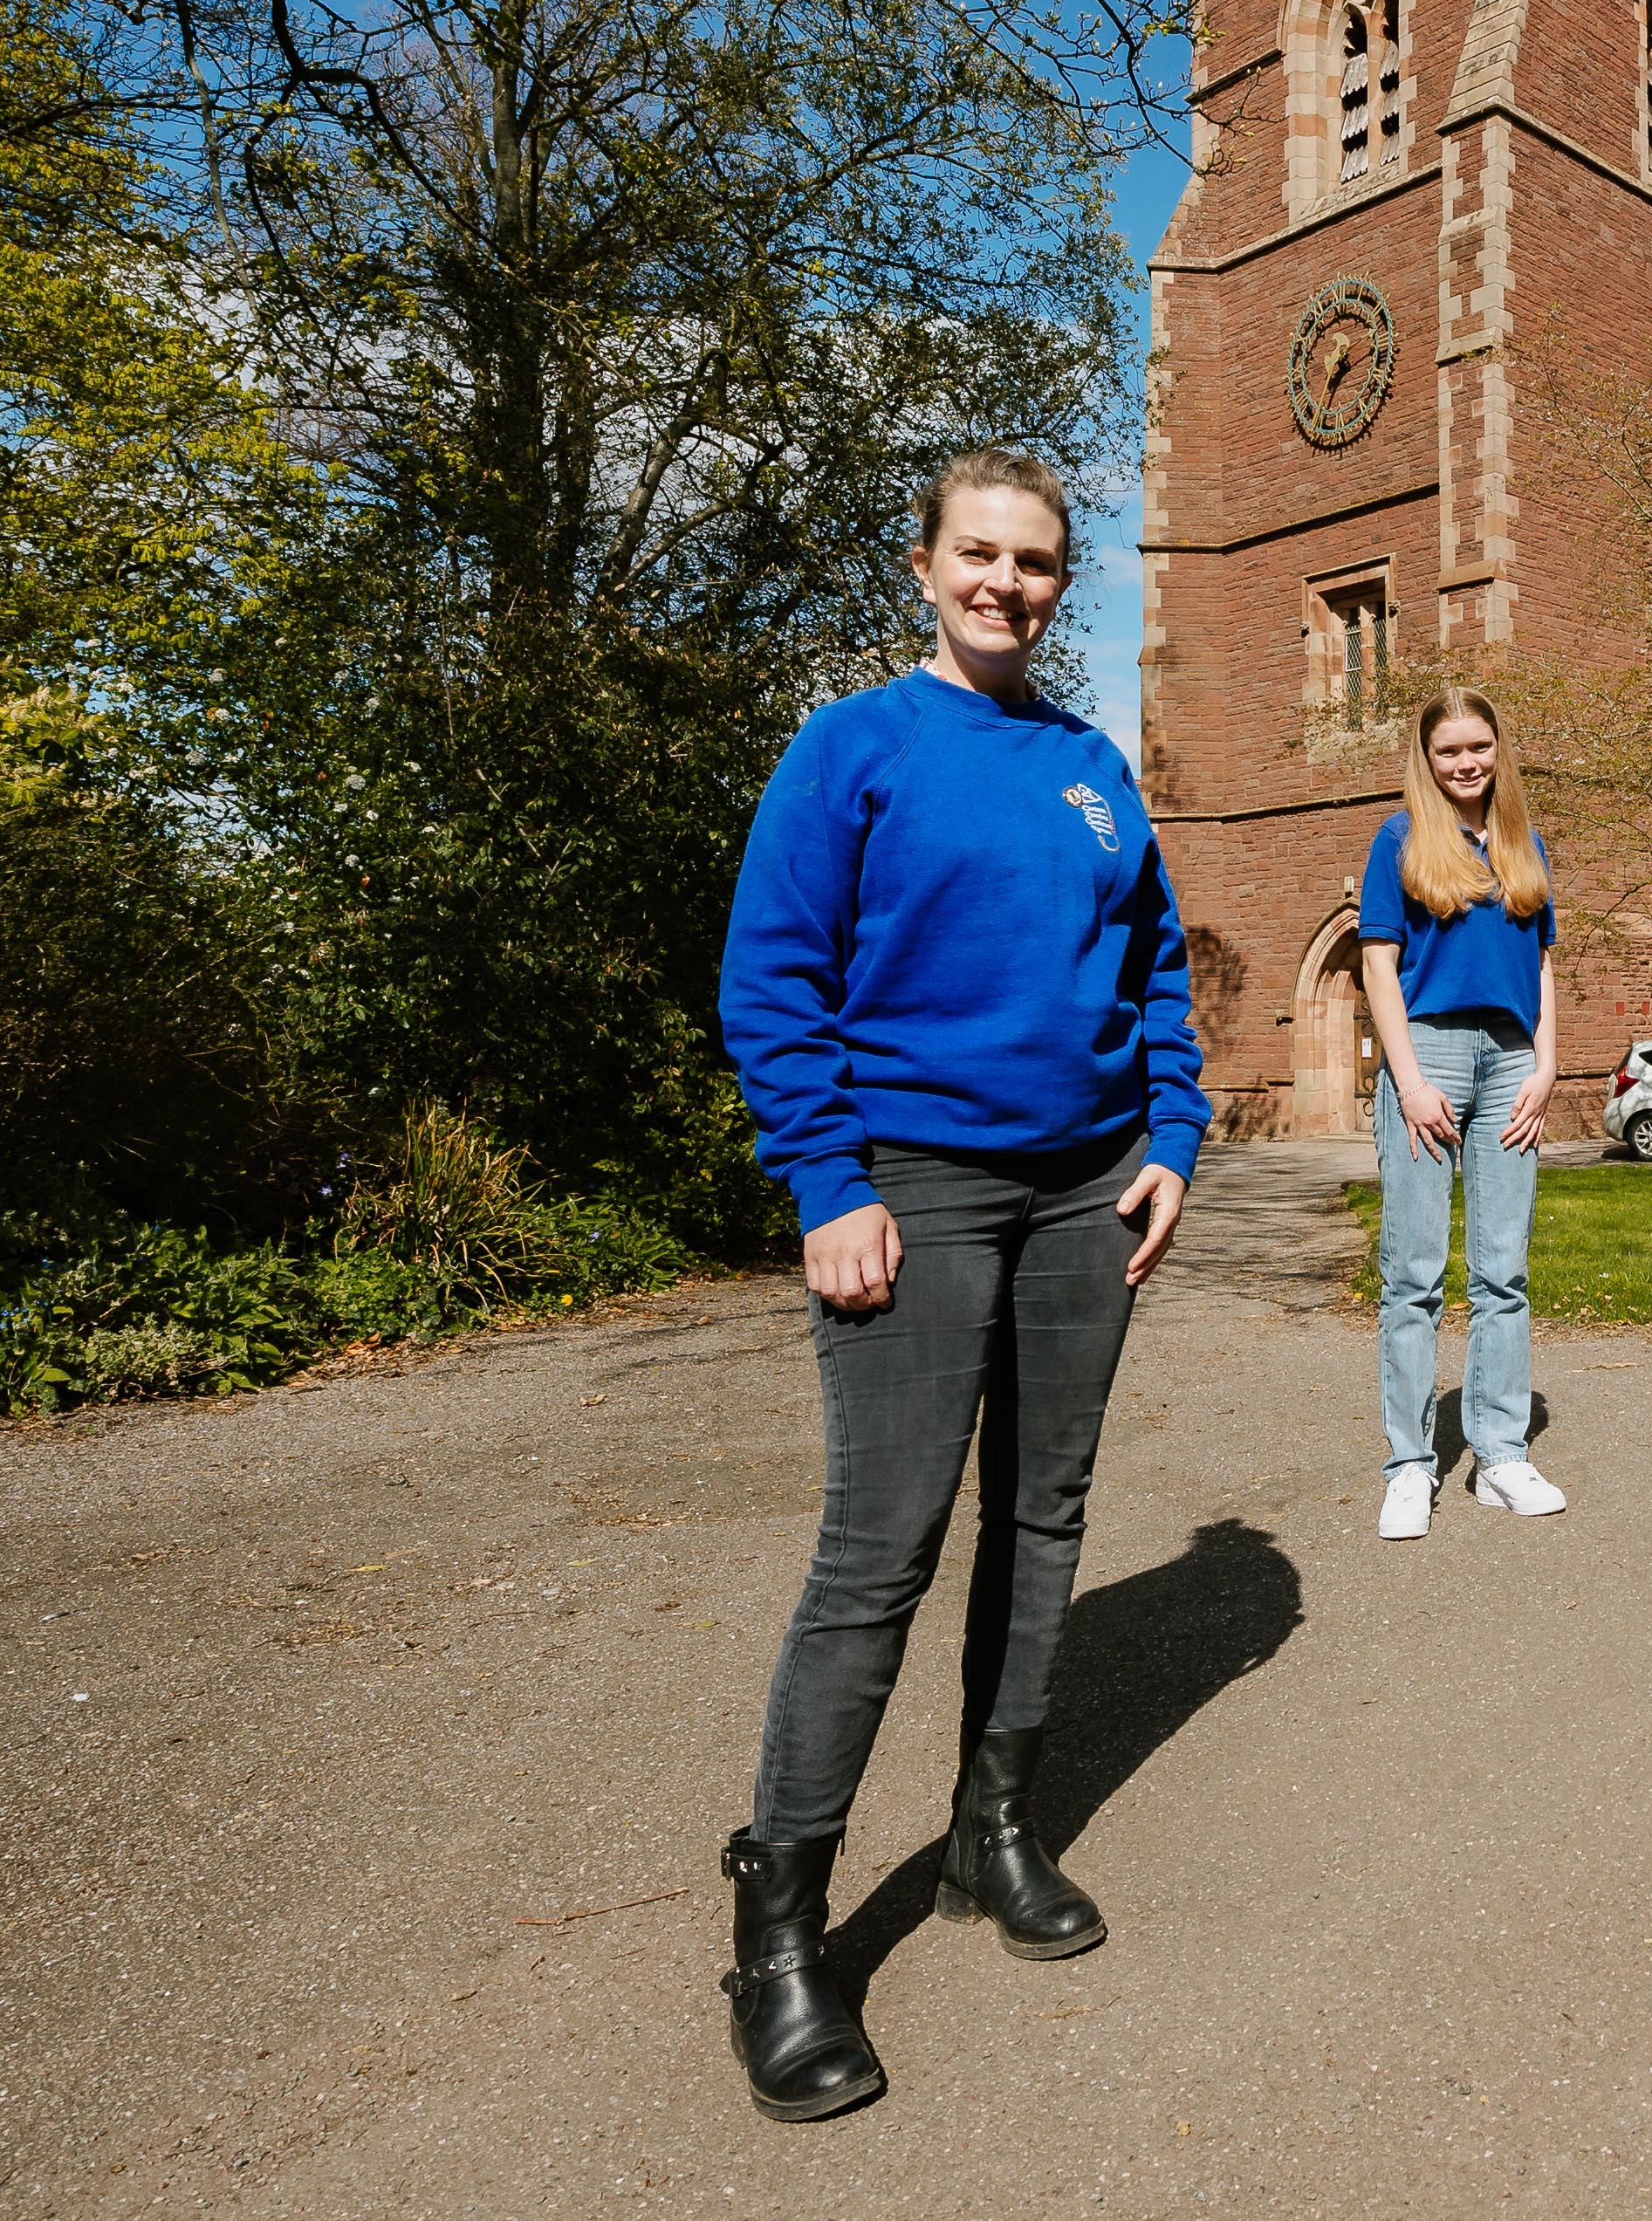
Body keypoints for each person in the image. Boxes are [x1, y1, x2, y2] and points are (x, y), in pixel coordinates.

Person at [709, 445, 1207, 2118]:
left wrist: (1176, 1132)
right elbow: (771, 977)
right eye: (979, 554)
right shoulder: (854, 745)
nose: (1008, 583)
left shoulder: (1089, 769)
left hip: (1086, 1193)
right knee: (881, 1550)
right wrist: (828, 1179)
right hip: (912, 1193)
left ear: (1064, 583)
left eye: (1039, 562)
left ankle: (993, 1830)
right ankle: (779, 1936)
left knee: (1044, 1516)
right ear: (923, 565)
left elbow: (1155, 963)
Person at [1358, 686, 1567, 1540]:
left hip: (1513, 1057)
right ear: (1426, 757)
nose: (1465, 762)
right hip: (1429, 1052)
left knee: (1501, 1271)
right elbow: (1376, 965)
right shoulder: (1399, 839)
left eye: (1478, 745)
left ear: (1497, 749)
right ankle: (1410, 1465)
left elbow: (1544, 965)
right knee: (1413, 1275)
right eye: (1448, 750)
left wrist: (1548, 1064)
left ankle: (1500, 1453)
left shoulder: (1524, 843)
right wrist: (1406, 1079)